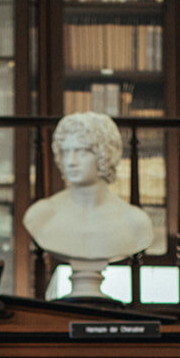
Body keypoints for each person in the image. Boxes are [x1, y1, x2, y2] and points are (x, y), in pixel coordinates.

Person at [22, 111, 154, 269]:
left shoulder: (135, 222)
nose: (71, 162)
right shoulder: (41, 215)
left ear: (105, 155)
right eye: (66, 152)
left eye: (82, 151)